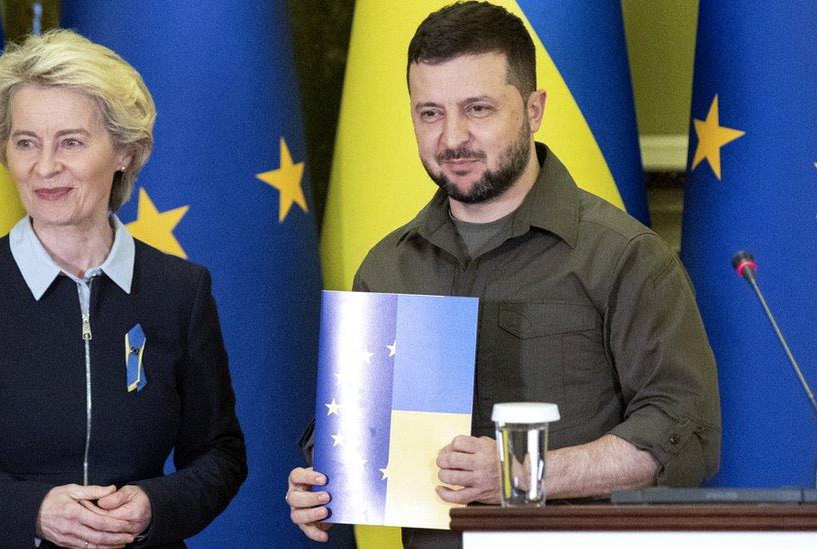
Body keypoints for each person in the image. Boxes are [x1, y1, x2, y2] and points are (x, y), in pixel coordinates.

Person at [286, 2, 720, 546]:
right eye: (430, 113)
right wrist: (324, 492)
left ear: (534, 110)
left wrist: (523, 474)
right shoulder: (387, 266)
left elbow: (685, 434)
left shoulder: (626, 257)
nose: (452, 138)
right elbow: (360, 434)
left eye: (478, 108)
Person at [0, 29, 246, 549]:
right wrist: (34, 512)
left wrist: (155, 508)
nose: (44, 166)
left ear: (124, 151)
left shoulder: (180, 291)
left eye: (70, 141)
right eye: (26, 142)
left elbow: (220, 455)